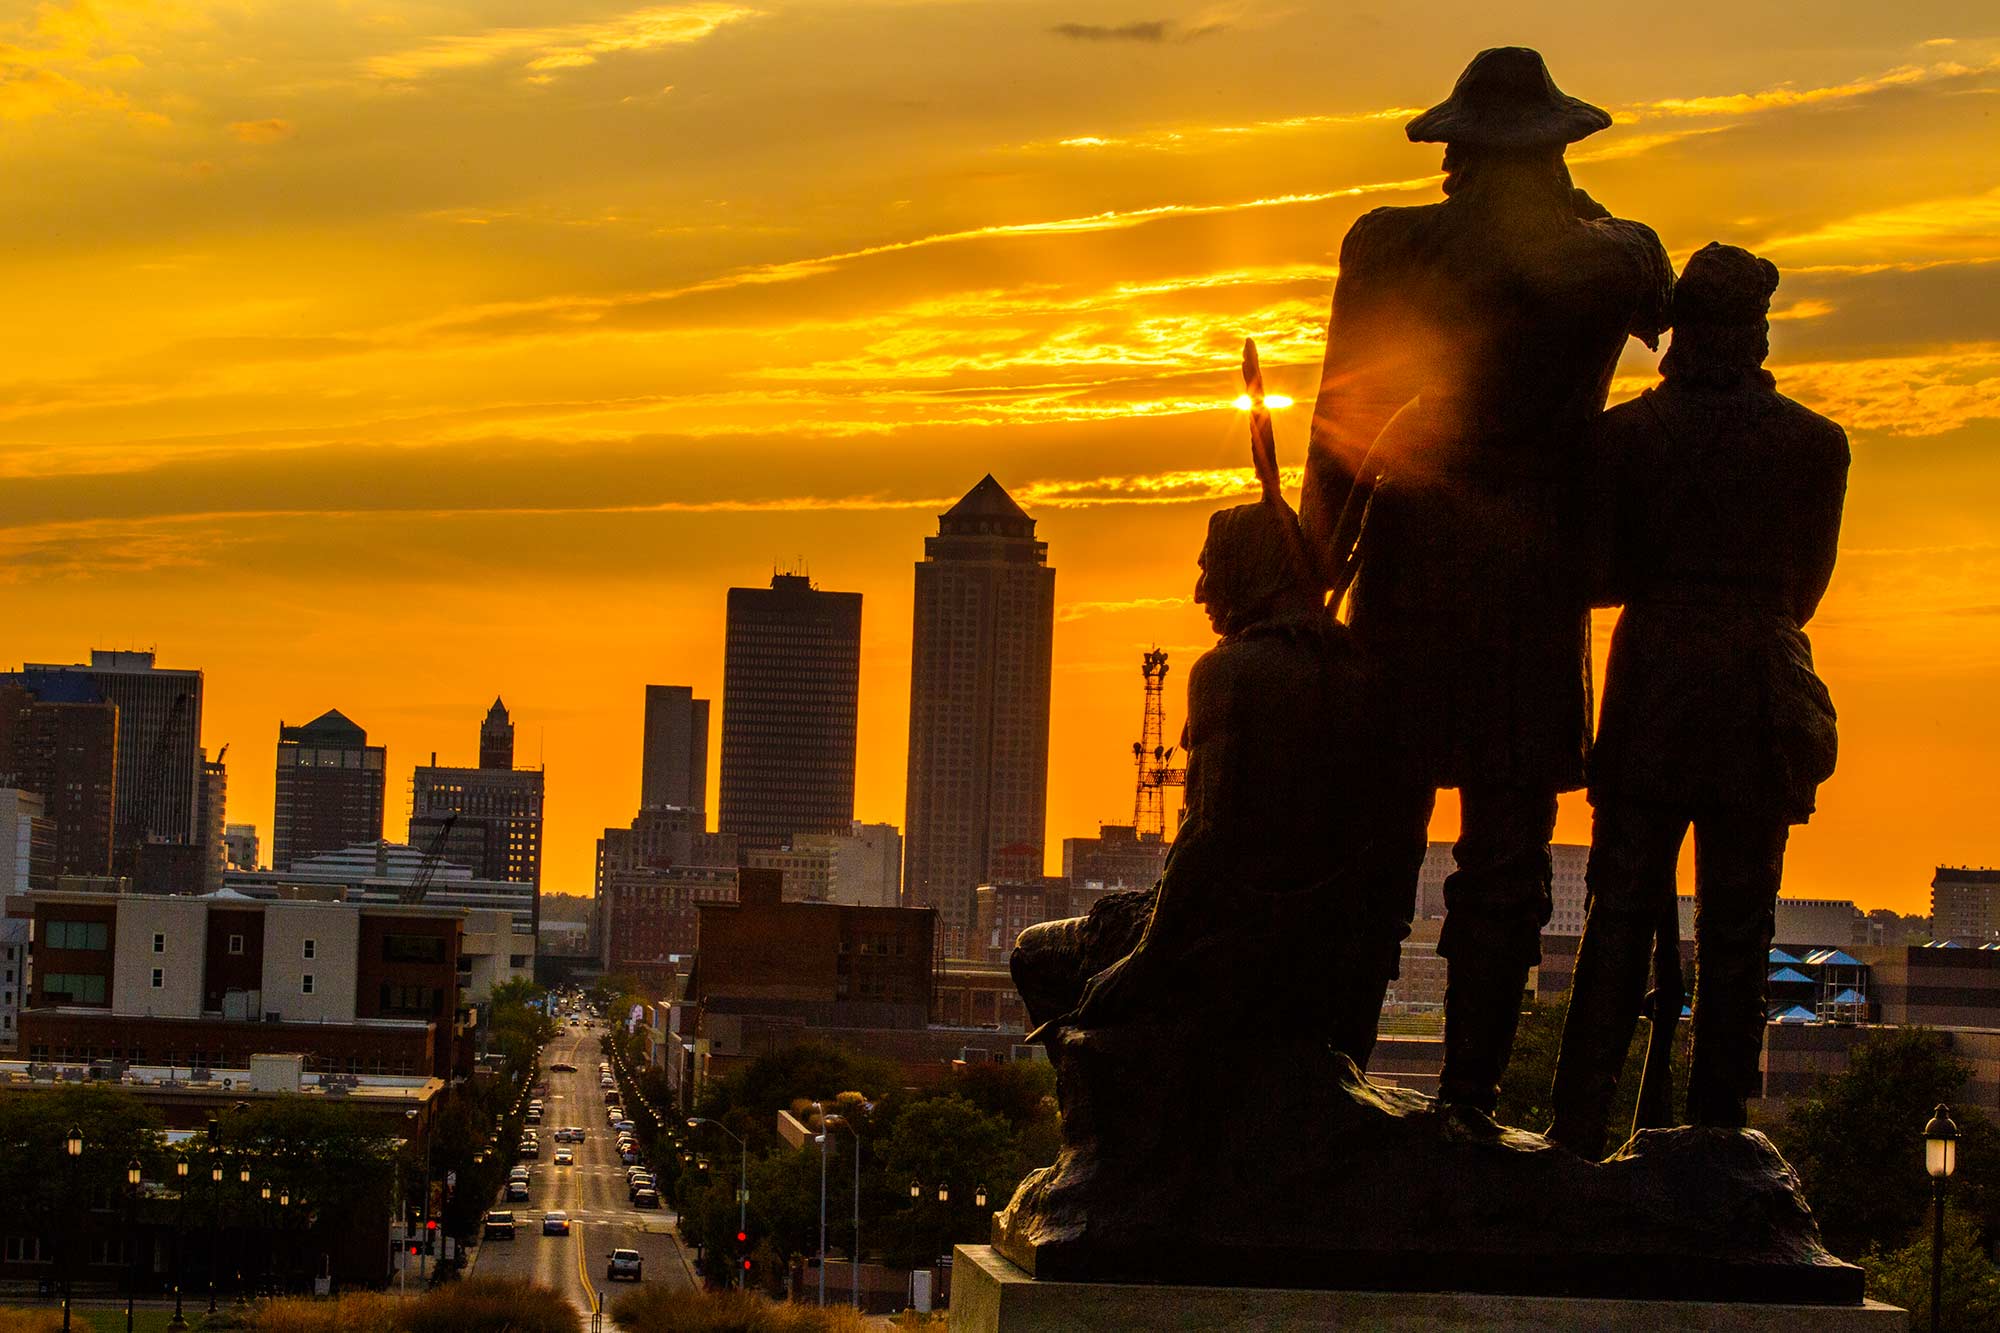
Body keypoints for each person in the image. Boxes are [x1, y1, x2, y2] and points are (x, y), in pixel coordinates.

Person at [1299, 48, 1673, 1117]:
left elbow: (1341, 413)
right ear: (1554, 152)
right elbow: (1658, 313)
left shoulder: (1392, 244)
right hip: (1534, 567)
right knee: (1506, 844)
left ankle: (1335, 1064)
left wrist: (1317, 567)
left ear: (1456, 149)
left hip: (1414, 557)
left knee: (1378, 826)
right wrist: (1561, 193)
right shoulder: (1609, 255)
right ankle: (1467, 1092)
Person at [1548, 243, 1849, 1159]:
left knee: (1620, 916)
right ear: (1756, 332)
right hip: (1758, 687)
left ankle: (1574, 1128)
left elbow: (1594, 573)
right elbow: (1806, 589)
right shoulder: (1814, 444)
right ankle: (1717, 1131)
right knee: (1740, 927)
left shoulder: (1623, 437)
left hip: (1655, 689)